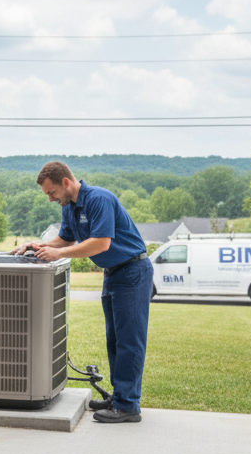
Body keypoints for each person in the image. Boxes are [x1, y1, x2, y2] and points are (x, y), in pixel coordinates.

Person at [13, 161, 151, 424]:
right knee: (115, 340)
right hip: (112, 274)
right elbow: (64, 240)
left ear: (65, 183)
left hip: (132, 272)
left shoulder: (99, 199)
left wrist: (59, 254)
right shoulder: (70, 207)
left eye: (51, 193)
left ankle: (128, 406)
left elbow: (101, 242)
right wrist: (36, 245)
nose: (51, 199)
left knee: (129, 340)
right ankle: (121, 397)